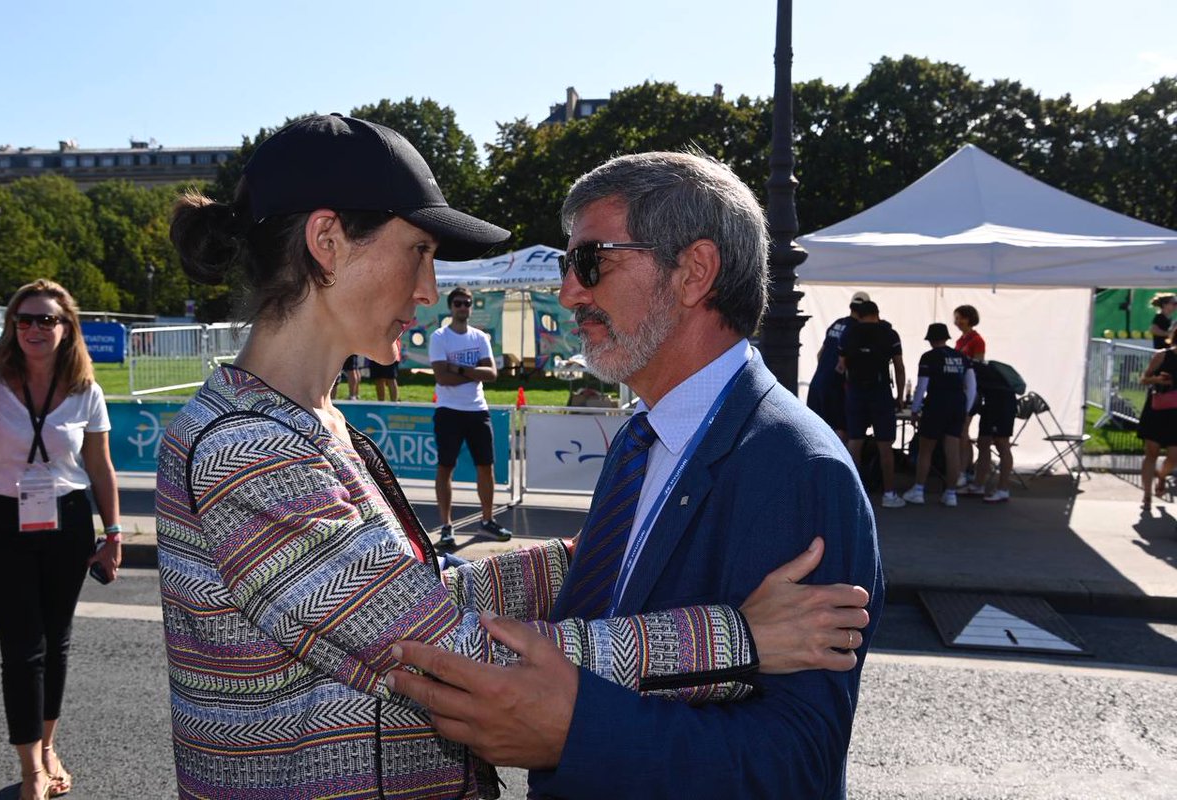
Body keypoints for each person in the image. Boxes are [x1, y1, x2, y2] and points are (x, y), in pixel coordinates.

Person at [158, 116, 872, 799]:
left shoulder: (307, 424)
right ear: (328, 241)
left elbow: (416, 600)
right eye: (421, 251)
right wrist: (738, 637)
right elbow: (448, 653)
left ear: (695, 273)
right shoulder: (249, 450)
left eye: (589, 261)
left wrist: (601, 555)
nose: (431, 290)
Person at [388, 150, 884, 799]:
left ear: (694, 271)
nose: (569, 291)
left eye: (591, 261)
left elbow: (796, 764)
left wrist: (581, 732)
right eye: (570, 266)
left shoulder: (796, 469)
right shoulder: (638, 438)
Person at [0, 279, 121, 800]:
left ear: (67, 328)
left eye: (47, 320)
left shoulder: (87, 390)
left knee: (56, 642)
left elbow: (99, 466)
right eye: (25, 319)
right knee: (22, 647)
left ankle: (48, 746)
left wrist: (114, 532)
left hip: (67, 518)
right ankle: (31, 767)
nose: (35, 328)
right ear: (14, 328)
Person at [430, 286, 512, 549]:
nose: (463, 307)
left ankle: (487, 520)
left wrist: (458, 368)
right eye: (458, 303)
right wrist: (471, 372)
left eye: (467, 303)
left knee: (486, 467)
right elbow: (442, 377)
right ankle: (446, 526)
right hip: (449, 411)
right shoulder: (440, 336)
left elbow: (492, 374)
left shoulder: (479, 337)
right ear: (450, 306)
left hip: (478, 409)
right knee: (446, 467)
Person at [840, 299, 907, 508]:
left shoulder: (849, 333)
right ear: (877, 313)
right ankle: (889, 494)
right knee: (885, 445)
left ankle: (853, 493)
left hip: (856, 392)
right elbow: (899, 367)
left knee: (855, 442)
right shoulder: (889, 333)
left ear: (859, 315)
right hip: (881, 392)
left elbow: (841, 365)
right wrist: (900, 395)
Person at [901, 323, 976, 507]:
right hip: (957, 404)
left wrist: (915, 409)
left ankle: (918, 490)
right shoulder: (961, 357)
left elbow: (922, 386)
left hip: (936, 404)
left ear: (931, 339)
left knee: (926, 449)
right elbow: (972, 385)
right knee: (952, 450)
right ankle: (951, 493)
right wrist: (966, 409)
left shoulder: (929, 357)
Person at [806, 291, 868, 441]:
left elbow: (820, 354)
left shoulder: (837, 323)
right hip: (836, 386)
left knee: (815, 431)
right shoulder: (858, 330)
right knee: (840, 430)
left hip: (817, 382)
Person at [1137, 331, 1177, 507]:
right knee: (1151, 453)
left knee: (1174, 457)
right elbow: (1144, 379)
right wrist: (1158, 380)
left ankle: (1161, 476)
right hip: (1157, 408)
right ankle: (1147, 496)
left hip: (1175, 414)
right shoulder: (1162, 355)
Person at [969, 360, 1018, 503]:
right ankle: (978, 485)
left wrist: (968, 413)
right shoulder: (975, 368)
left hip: (1003, 405)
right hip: (990, 405)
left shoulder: (969, 369)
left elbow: (972, 393)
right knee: (983, 443)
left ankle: (1003, 489)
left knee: (1002, 444)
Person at [953, 304, 985, 487]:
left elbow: (978, 364)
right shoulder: (961, 340)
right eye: (956, 318)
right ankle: (967, 469)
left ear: (970, 318)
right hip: (960, 390)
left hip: (970, 391)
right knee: (961, 433)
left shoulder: (976, 340)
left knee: (963, 433)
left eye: (960, 318)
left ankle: (963, 471)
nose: (958, 322)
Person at [371, 333, 402, 401]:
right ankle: (381, 404)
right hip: (375, 350)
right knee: (379, 378)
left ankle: (394, 404)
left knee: (390, 378)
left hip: (390, 349)